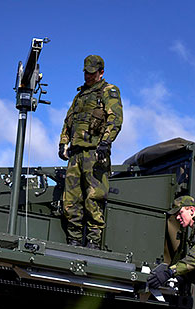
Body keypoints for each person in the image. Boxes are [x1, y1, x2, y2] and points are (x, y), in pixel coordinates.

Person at [58, 55, 123, 249]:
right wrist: (63, 143)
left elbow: (115, 119)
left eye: (92, 73)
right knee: (70, 201)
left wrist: (105, 143)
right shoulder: (80, 96)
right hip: (76, 155)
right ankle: (74, 240)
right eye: (86, 72)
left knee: (93, 199)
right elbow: (69, 120)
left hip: (95, 153)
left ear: (101, 72)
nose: (88, 76)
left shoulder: (109, 91)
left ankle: (93, 243)